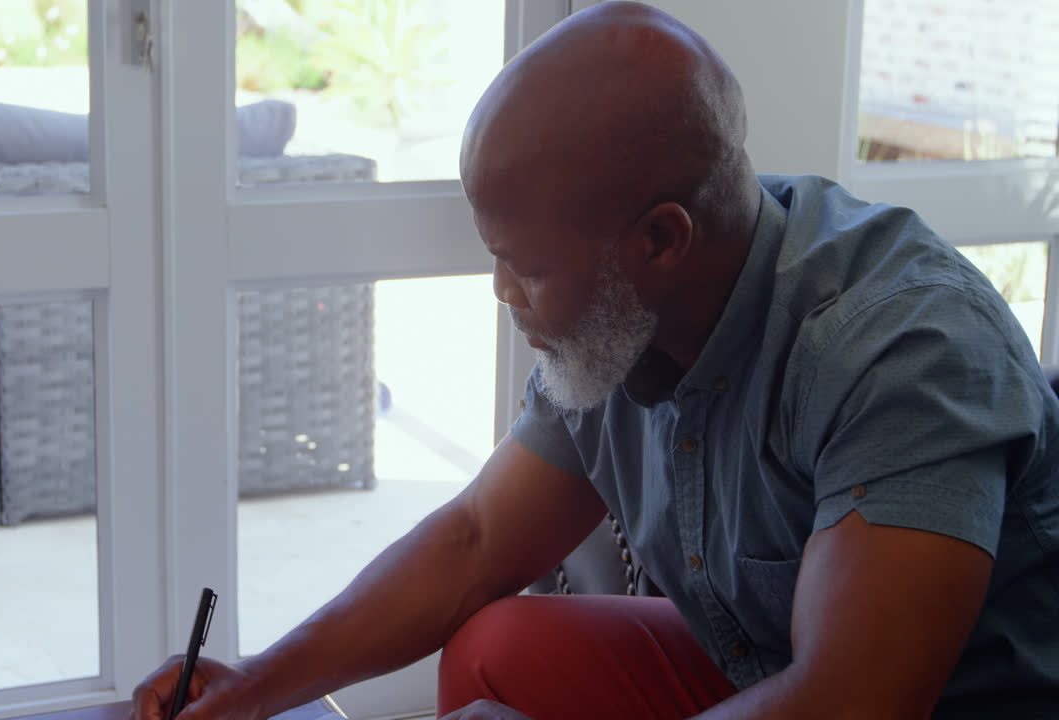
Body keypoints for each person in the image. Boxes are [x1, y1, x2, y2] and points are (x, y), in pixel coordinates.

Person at [132, 2, 1059, 718]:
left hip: (929, 700)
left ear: (661, 240)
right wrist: (255, 686)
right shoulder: (621, 323)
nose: (502, 292)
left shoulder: (900, 351)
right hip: (767, 661)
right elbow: (475, 542)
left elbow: (855, 704)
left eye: (527, 268)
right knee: (501, 644)